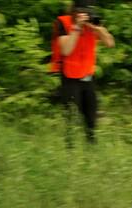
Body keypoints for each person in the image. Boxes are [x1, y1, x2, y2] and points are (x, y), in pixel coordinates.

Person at [51, 1, 114, 144]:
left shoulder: (93, 23)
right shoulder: (62, 22)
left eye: (88, 12)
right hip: (70, 76)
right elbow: (66, 50)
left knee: (91, 117)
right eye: (83, 12)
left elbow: (110, 43)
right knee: (71, 117)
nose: (85, 15)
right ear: (75, 10)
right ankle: (70, 148)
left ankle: (91, 146)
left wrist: (98, 29)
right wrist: (77, 28)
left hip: (88, 76)